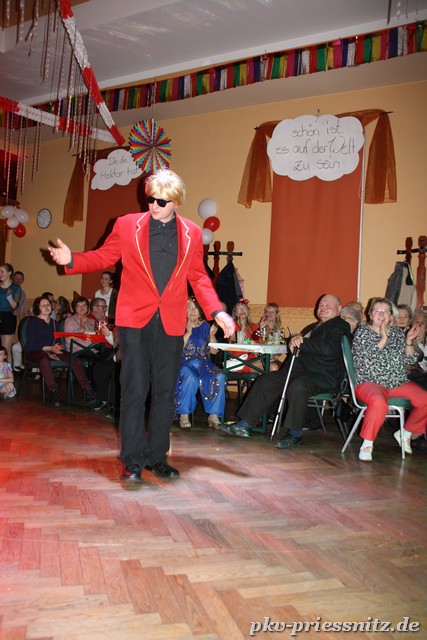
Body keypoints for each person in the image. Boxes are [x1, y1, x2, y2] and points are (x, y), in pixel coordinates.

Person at [48, 168, 234, 483]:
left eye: (161, 201)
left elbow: (198, 277)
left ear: (176, 202)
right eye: (150, 199)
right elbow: (103, 256)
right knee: (134, 390)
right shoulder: (127, 225)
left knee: (164, 393)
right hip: (134, 321)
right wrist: (72, 260)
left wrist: (217, 311)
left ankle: (157, 457)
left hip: (170, 323)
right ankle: (133, 460)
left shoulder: (191, 232)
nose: (153, 206)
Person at [219, 294, 352, 447]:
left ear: (339, 309)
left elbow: (329, 349)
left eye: (328, 305)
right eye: (321, 305)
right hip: (297, 371)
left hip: (321, 376)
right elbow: (295, 345)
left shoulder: (340, 326)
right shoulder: (312, 327)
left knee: (298, 386)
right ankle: (244, 425)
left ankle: (295, 434)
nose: (323, 308)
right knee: (266, 380)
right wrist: (292, 342)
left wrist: (301, 343)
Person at [351, 297, 427, 461]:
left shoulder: (398, 333)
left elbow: (409, 360)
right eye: (377, 310)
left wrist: (408, 341)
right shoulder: (362, 332)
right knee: (379, 402)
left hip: (397, 382)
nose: (381, 314)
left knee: (425, 399)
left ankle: (405, 433)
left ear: (391, 315)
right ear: (370, 314)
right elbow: (366, 360)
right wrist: (383, 338)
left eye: (385, 311)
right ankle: (367, 443)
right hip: (369, 382)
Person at [25, 296, 95, 407]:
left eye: (48, 305)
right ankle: (53, 391)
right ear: (38, 308)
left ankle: (87, 390)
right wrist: (50, 350)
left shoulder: (54, 323)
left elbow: (57, 341)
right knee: (44, 359)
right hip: (35, 351)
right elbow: (32, 344)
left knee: (73, 359)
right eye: (43, 305)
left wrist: (56, 349)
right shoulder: (33, 322)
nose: (46, 307)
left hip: (52, 351)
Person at [175, 297, 225, 429]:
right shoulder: (179, 324)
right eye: (190, 307)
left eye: (196, 308)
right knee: (191, 378)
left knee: (219, 376)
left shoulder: (205, 326)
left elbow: (214, 351)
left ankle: (213, 415)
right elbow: (177, 349)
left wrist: (212, 335)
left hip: (203, 364)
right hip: (184, 363)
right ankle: (184, 414)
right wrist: (188, 332)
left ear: (200, 312)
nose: (192, 311)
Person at [0, 263, 22, 363]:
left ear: (9, 273)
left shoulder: (15, 288)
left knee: (5, 350)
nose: (0, 274)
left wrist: (9, 298)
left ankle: (8, 372)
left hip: (8, 317)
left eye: (2, 272)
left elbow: (15, 306)